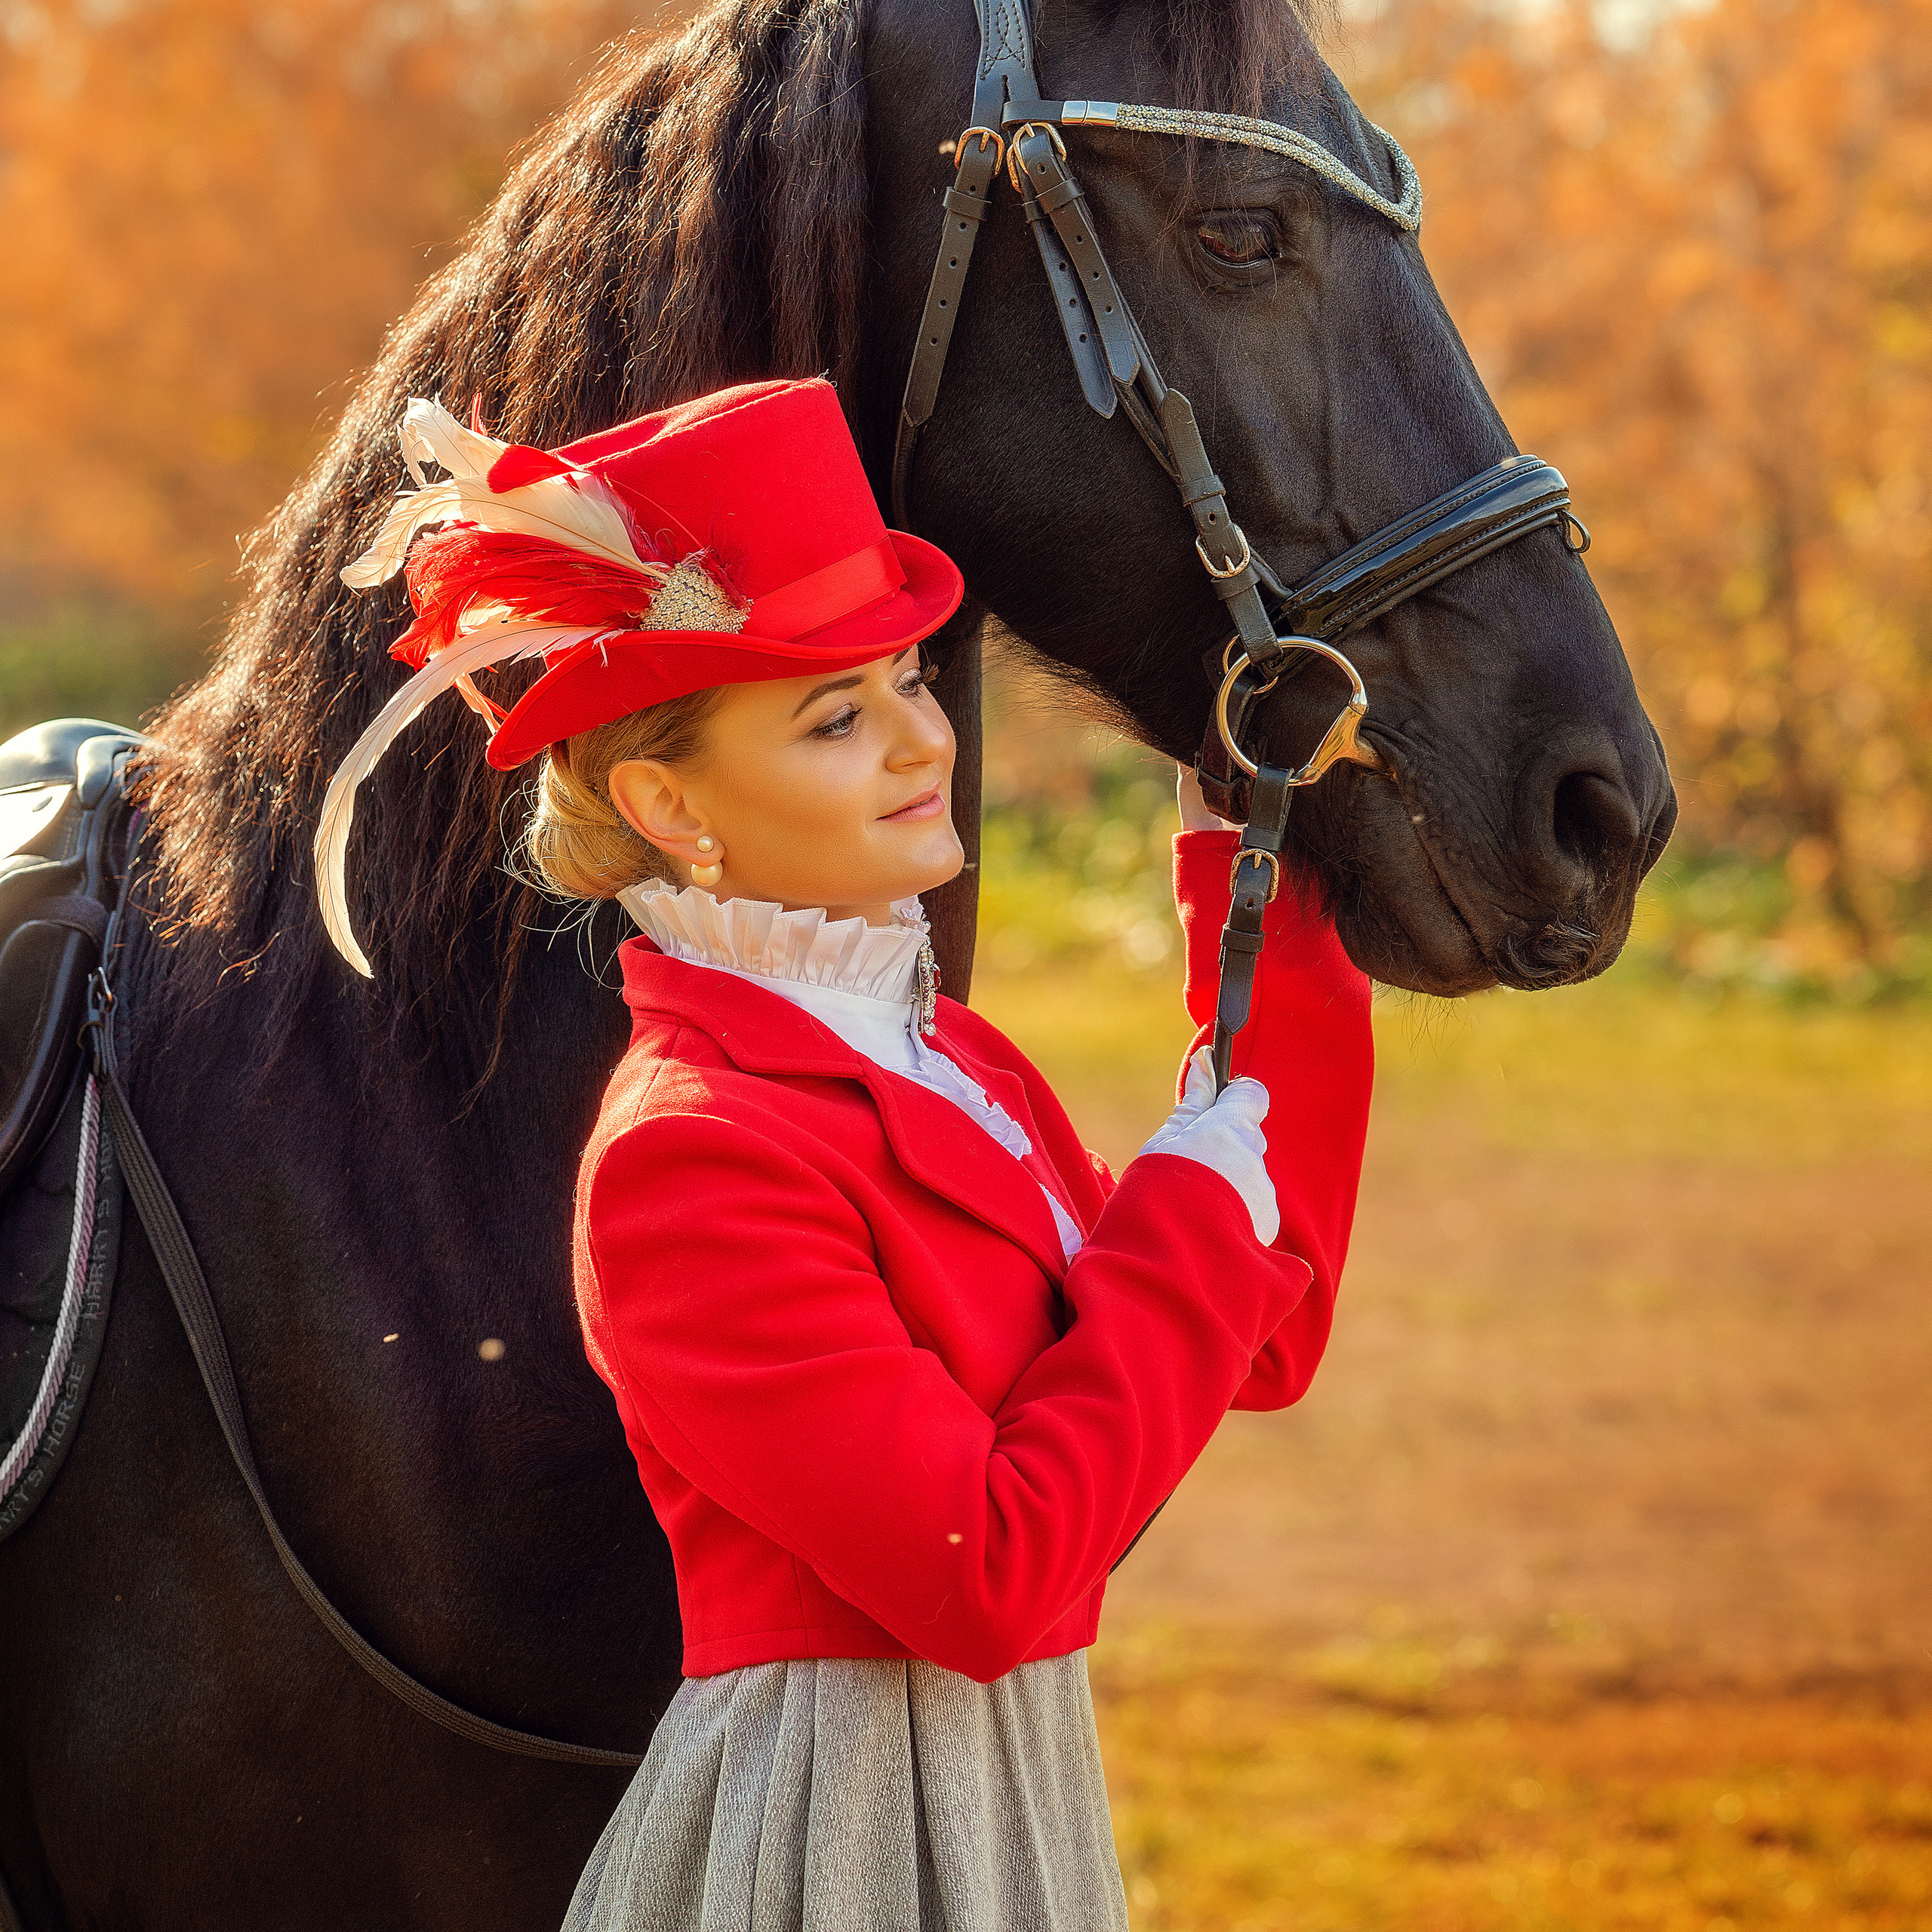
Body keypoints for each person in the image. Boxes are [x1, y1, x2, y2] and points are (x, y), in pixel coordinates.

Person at [320, 377, 1373, 1932]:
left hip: (1017, 1788)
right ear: (667, 801)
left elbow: (1250, 1333)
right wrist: (1188, 1199)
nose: (918, 740)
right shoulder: (692, 1155)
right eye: (837, 716)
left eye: (904, 680)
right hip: (833, 1831)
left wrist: (1254, 861)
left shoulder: (943, 1055)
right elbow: (991, 1572)